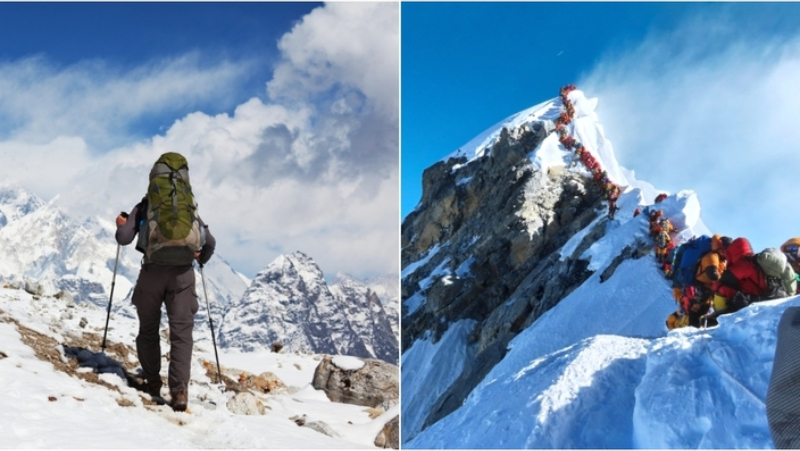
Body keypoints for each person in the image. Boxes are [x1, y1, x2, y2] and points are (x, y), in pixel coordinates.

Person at [115, 152, 216, 412]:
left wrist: (121, 224)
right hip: (182, 275)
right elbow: (210, 243)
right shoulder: (189, 208)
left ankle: (151, 382)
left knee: (148, 329)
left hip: (152, 274)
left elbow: (124, 238)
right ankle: (179, 392)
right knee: (181, 335)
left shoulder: (147, 204)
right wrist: (198, 257)